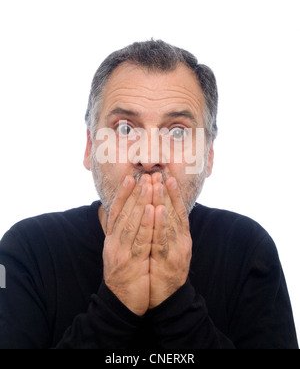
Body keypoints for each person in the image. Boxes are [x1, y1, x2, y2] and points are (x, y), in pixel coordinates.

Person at [0, 40, 298, 349]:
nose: (150, 156)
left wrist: (177, 301)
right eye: (125, 128)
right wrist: (116, 302)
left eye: (178, 131)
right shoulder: (28, 251)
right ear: (90, 148)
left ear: (208, 155)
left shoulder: (247, 250)